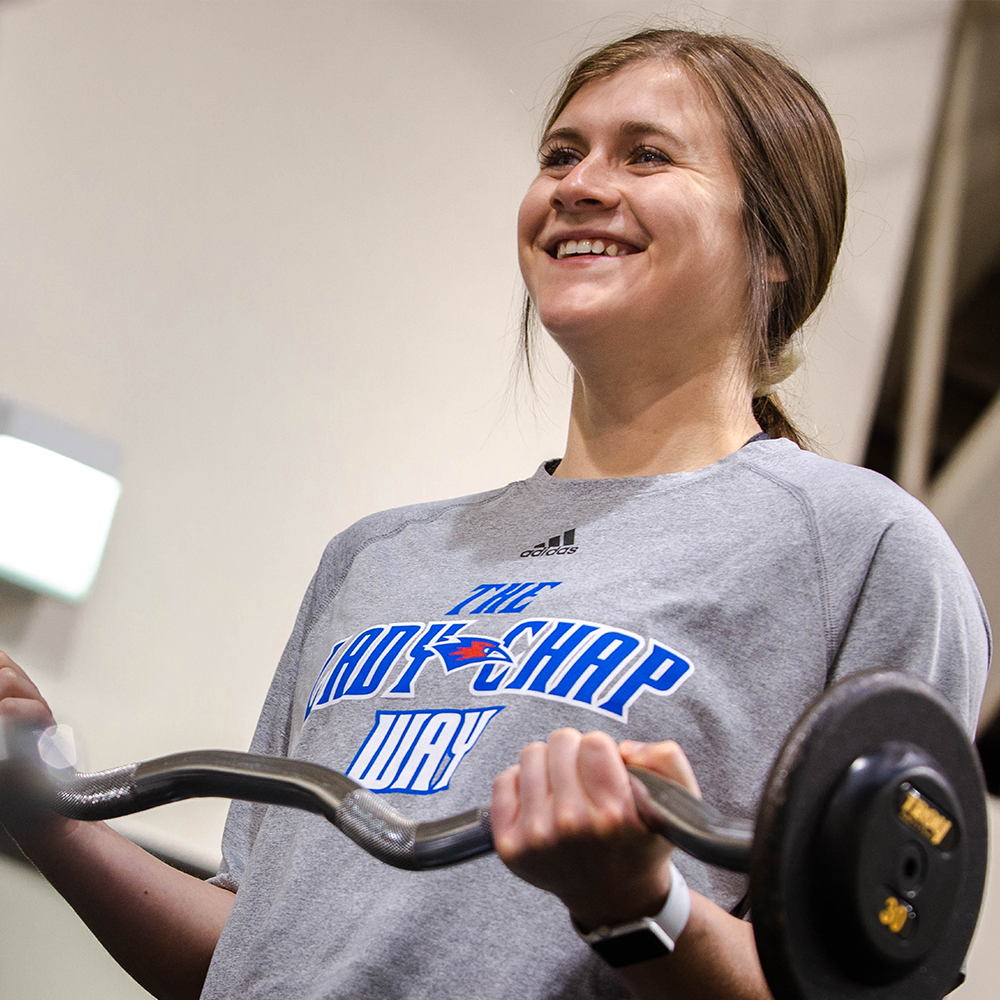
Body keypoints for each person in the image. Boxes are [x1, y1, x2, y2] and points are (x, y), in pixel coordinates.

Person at [0, 26, 989, 1000]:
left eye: (645, 154)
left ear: (775, 247)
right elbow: (247, 948)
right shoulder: (379, 556)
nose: (578, 183)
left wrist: (638, 904)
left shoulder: (862, 549)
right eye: (561, 153)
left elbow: (859, 986)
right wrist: (41, 806)